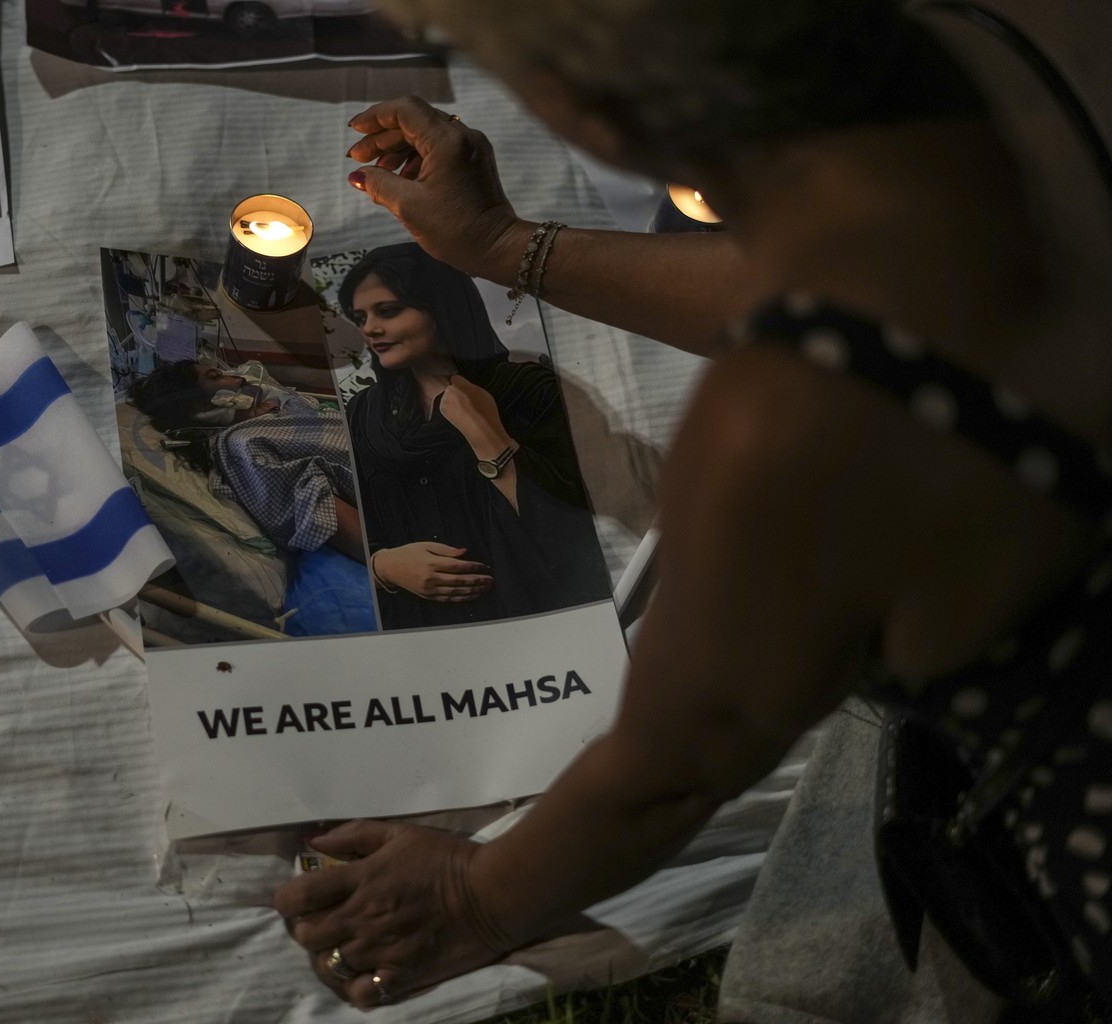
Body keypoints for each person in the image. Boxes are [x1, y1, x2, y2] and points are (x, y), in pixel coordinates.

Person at [274, 0, 1112, 1019]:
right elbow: (854, 255)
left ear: (602, 112)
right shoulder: (1025, 49)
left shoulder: (806, 419)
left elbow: (677, 765)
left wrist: (473, 896)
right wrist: (503, 242)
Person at [337, 243, 610, 628]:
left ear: (442, 308)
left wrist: (487, 435)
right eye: (360, 317)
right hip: (417, 633)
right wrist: (385, 566)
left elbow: (574, 535)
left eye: (388, 311)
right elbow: (356, 526)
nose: (370, 329)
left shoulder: (527, 391)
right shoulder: (365, 414)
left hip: (533, 622)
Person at [129, 359, 366, 563]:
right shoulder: (241, 447)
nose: (238, 378)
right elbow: (329, 518)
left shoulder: (270, 411)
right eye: (217, 377)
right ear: (203, 407)